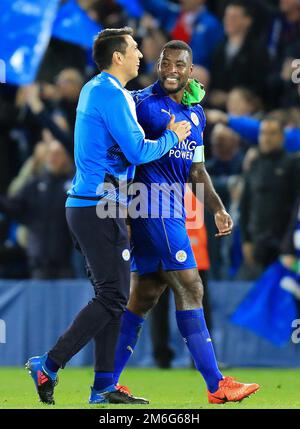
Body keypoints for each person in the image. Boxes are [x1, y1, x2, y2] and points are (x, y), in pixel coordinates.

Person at [25, 27, 191, 405]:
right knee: (114, 297)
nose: (139, 53)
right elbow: (135, 151)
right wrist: (173, 135)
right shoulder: (109, 94)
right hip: (97, 206)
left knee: (112, 296)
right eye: (133, 48)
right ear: (118, 56)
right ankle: (49, 364)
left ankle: (103, 387)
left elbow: (117, 154)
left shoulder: (99, 90)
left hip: (98, 204)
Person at [112, 40, 260, 404]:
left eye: (180, 64)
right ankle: (216, 384)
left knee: (144, 296)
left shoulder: (197, 115)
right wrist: (119, 206)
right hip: (151, 206)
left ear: (190, 70)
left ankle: (103, 381)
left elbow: (196, 169)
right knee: (191, 287)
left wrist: (218, 207)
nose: (172, 70)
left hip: (172, 208)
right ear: (158, 65)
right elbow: (119, 153)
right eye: (166, 63)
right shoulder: (142, 104)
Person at [0, 140, 74, 279]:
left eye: (58, 154)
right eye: (50, 153)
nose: (53, 157)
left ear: (66, 157)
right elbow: (14, 206)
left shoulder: (74, 185)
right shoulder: (33, 184)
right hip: (39, 262)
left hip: (66, 262)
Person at [239, 116, 300, 277]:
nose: (266, 138)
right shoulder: (254, 164)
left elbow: (296, 207)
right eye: (263, 133)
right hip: (258, 243)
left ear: (281, 136)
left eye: (272, 133)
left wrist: (290, 245)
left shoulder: (293, 164)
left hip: (286, 245)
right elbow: (244, 206)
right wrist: (246, 240)